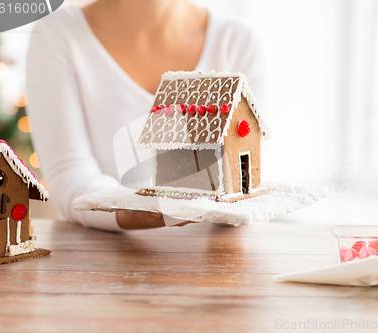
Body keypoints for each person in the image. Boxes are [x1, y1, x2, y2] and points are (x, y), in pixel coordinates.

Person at [26, 0, 268, 231]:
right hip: (103, 257)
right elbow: (69, 174)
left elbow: (249, 166)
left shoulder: (238, 40)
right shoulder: (57, 32)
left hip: (220, 256)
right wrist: (133, 209)